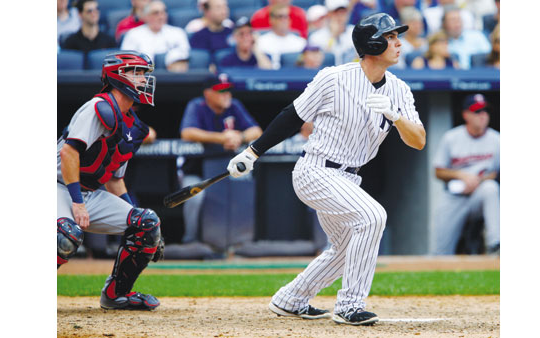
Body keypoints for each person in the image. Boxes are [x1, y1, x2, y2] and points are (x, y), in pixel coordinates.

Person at [226, 13, 426, 325]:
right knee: (373, 217)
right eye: (390, 38)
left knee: (346, 248)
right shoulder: (334, 78)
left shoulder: (399, 90)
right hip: (316, 171)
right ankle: (350, 306)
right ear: (372, 43)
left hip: (349, 179)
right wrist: (253, 152)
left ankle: (290, 299)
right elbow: (292, 116)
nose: (399, 43)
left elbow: (419, 141)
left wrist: (396, 117)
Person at [57, 51, 164, 310]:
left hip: (89, 192)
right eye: (136, 73)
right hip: (59, 186)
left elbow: (116, 181)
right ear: (117, 76)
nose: (143, 79)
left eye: (143, 74)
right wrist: (77, 202)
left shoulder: (132, 126)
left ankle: (116, 294)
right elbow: (69, 152)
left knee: (147, 224)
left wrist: (137, 217)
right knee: (64, 236)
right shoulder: (99, 107)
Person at [179, 73, 263, 246]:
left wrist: (239, 136)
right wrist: (223, 138)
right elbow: (187, 132)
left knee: (244, 192)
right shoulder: (197, 105)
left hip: (225, 172)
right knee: (195, 198)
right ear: (207, 93)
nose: (226, 95)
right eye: (220, 91)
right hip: (196, 170)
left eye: (228, 90)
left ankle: (238, 243)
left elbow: (256, 131)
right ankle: (191, 242)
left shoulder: (234, 106)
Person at [432, 93, 499, 255]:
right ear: (466, 115)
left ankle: (495, 243)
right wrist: (462, 176)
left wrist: (479, 180)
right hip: (454, 196)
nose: (482, 116)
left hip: (479, 194)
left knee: (490, 188)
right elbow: (438, 171)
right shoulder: (451, 137)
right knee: (441, 251)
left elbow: (497, 173)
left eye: (485, 111)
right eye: (477, 111)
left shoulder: (497, 140)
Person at [120, 0, 190, 68]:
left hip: (171, 76)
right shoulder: (133, 34)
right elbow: (126, 60)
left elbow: (185, 54)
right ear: (146, 16)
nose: (161, 17)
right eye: (155, 13)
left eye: (163, 12)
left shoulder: (178, 33)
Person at [256, 4, 307, 69]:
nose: (284, 20)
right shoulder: (260, 41)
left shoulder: (301, 42)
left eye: (286, 17)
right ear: (271, 19)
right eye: (280, 16)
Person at [308, 0, 357, 66]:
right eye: (336, 12)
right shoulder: (316, 37)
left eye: (343, 12)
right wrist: (333, 36)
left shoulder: (356, 32)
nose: (340, 16)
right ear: (328, 14)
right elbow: (321, 63)